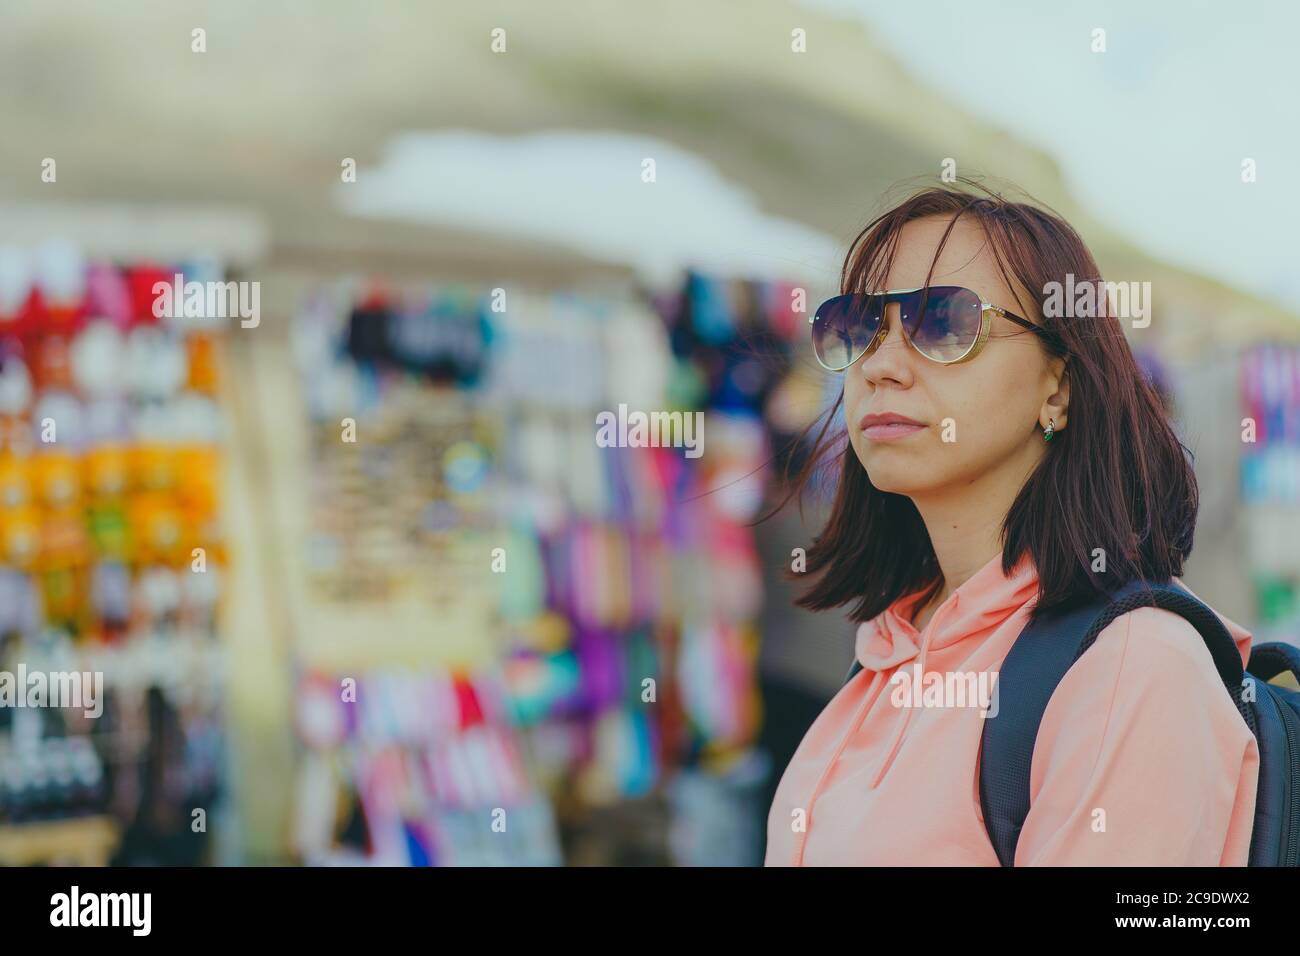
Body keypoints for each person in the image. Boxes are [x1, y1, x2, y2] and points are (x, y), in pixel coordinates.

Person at [763, 179, 1259, 866]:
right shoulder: (888, 651)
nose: (881, 364)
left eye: (943, 323)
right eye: (859, 326)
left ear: (1057, 387)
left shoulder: (1130, 671)